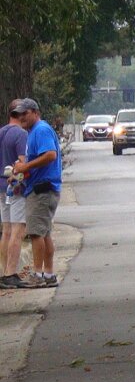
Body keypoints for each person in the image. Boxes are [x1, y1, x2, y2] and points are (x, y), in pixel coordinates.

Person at [6, 100, 61, 288]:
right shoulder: (32, 132)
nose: (21, 117)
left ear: (35, 112)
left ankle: (38, 274)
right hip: (41, 187)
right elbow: (36, 163)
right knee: (44, 234)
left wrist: (25, 166)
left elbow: (50, 155)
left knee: (36, 234)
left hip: (42, 190)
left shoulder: (41, 130)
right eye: (18, 114)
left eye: (25, 113)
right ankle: (49, 274)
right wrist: (19, 175)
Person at [0, 103, 24, 286]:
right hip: (15, 187)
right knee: (18, 230)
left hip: (1, 187)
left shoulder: (1, 132)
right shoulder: (21, 134)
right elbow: (23, 162)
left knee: (6, 230)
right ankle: (11, 273)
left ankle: (4, 271)